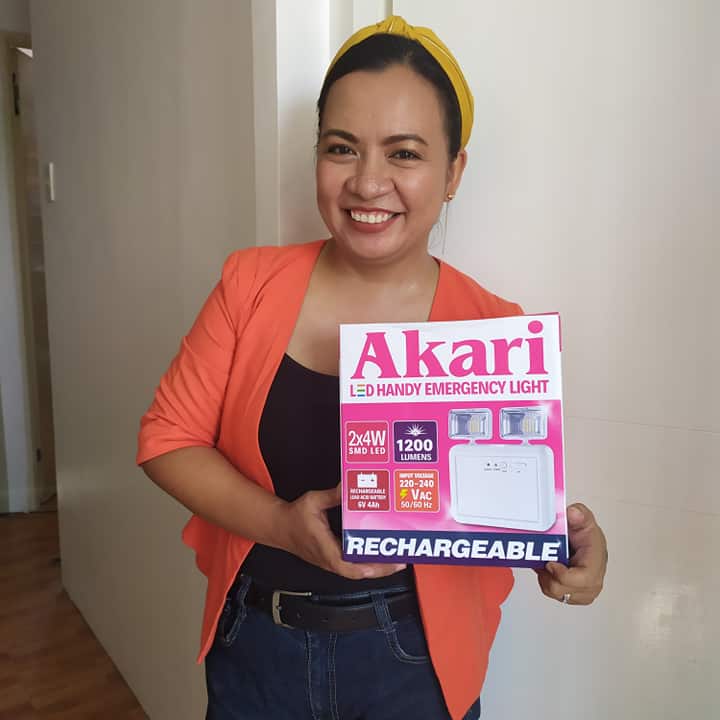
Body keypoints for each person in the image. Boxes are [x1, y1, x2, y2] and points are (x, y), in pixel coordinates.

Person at [137, 16, 607, 720]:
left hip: (414, 662)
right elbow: (167, 440)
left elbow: (496, 501)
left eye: (404, 153)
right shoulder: (250, 284)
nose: (367, 181)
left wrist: (561, 550)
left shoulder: (495, 331)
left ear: (453, 172)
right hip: (257, 643)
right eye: (341, 148)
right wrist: (281, 524)